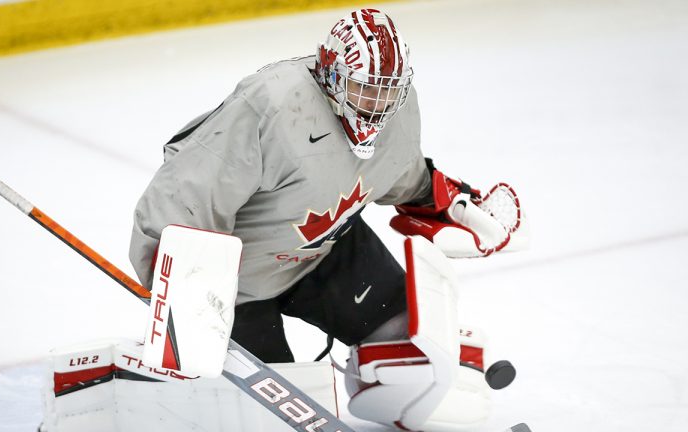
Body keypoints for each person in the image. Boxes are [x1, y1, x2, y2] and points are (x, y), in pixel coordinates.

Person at [130, 8, 508, 430]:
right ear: (329, 72)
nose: (378, 106)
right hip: (237, 284)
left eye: (387, 92)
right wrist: (181, 287)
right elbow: (184, 191)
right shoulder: (272, 104)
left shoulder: (398, 112)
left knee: (416, 360)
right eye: (364, 90)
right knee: (259, 415)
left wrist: (453, 204)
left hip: (328, 250)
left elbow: (401, 175)